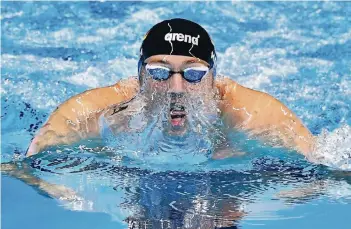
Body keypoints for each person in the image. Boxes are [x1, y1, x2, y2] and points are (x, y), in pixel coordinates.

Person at [24, 18, 314, 158]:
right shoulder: (108, 110)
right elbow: (39, 155)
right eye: (159, 72)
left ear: (213, 77)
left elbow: (317, 166)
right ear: (139, 76)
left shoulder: (246, 113)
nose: (176, 87)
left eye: (193, 73)